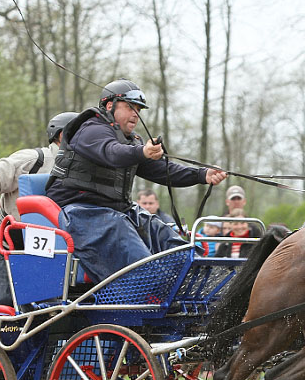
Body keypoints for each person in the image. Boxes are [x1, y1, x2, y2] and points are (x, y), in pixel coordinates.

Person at [45, 79, 226, 283]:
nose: (136, 114)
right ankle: (151, 289)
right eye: (130, 107)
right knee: (130, 244)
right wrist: (143, 151)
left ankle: (196, 280)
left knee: (163, 234)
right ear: (110, 105)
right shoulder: (91, 129)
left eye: (139, 109)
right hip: (79, 211)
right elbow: (112, 153)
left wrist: (201, 175)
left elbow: (163, 171)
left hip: (117, 211)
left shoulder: (131, 140)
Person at [0, 111, 78, 306]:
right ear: (63, 135)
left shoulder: (81, 170)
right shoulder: (34, 159)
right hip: (2, 244)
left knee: (42, 314)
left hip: (44, 252)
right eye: (83, 133)